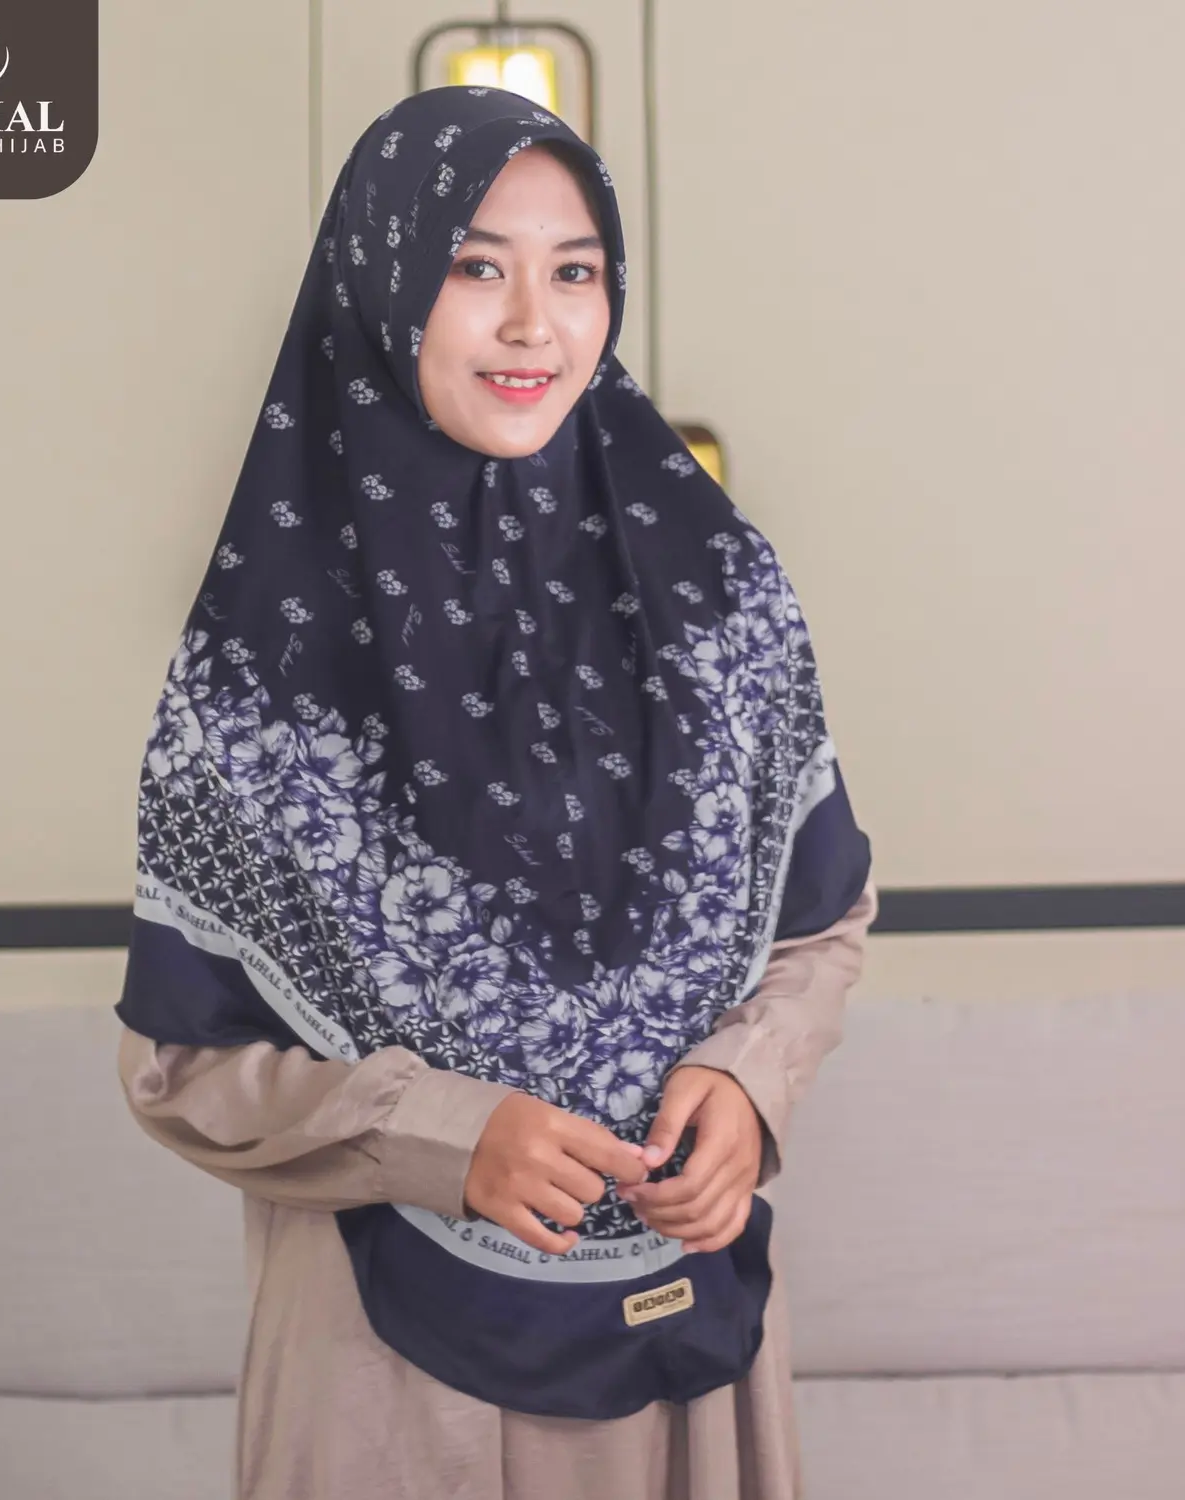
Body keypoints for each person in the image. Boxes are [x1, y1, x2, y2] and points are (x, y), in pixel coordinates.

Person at [115, 85, 876, 1500]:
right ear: (380, 283)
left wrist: (747, 1079)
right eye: (477, 268)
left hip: (692, 1315)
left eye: (575, 272)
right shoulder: (275, 651)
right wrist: (444, 1134)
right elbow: (180, 1064)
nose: (536, 324)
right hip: (386, 1367)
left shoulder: (716, 586)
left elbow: (819, 917)